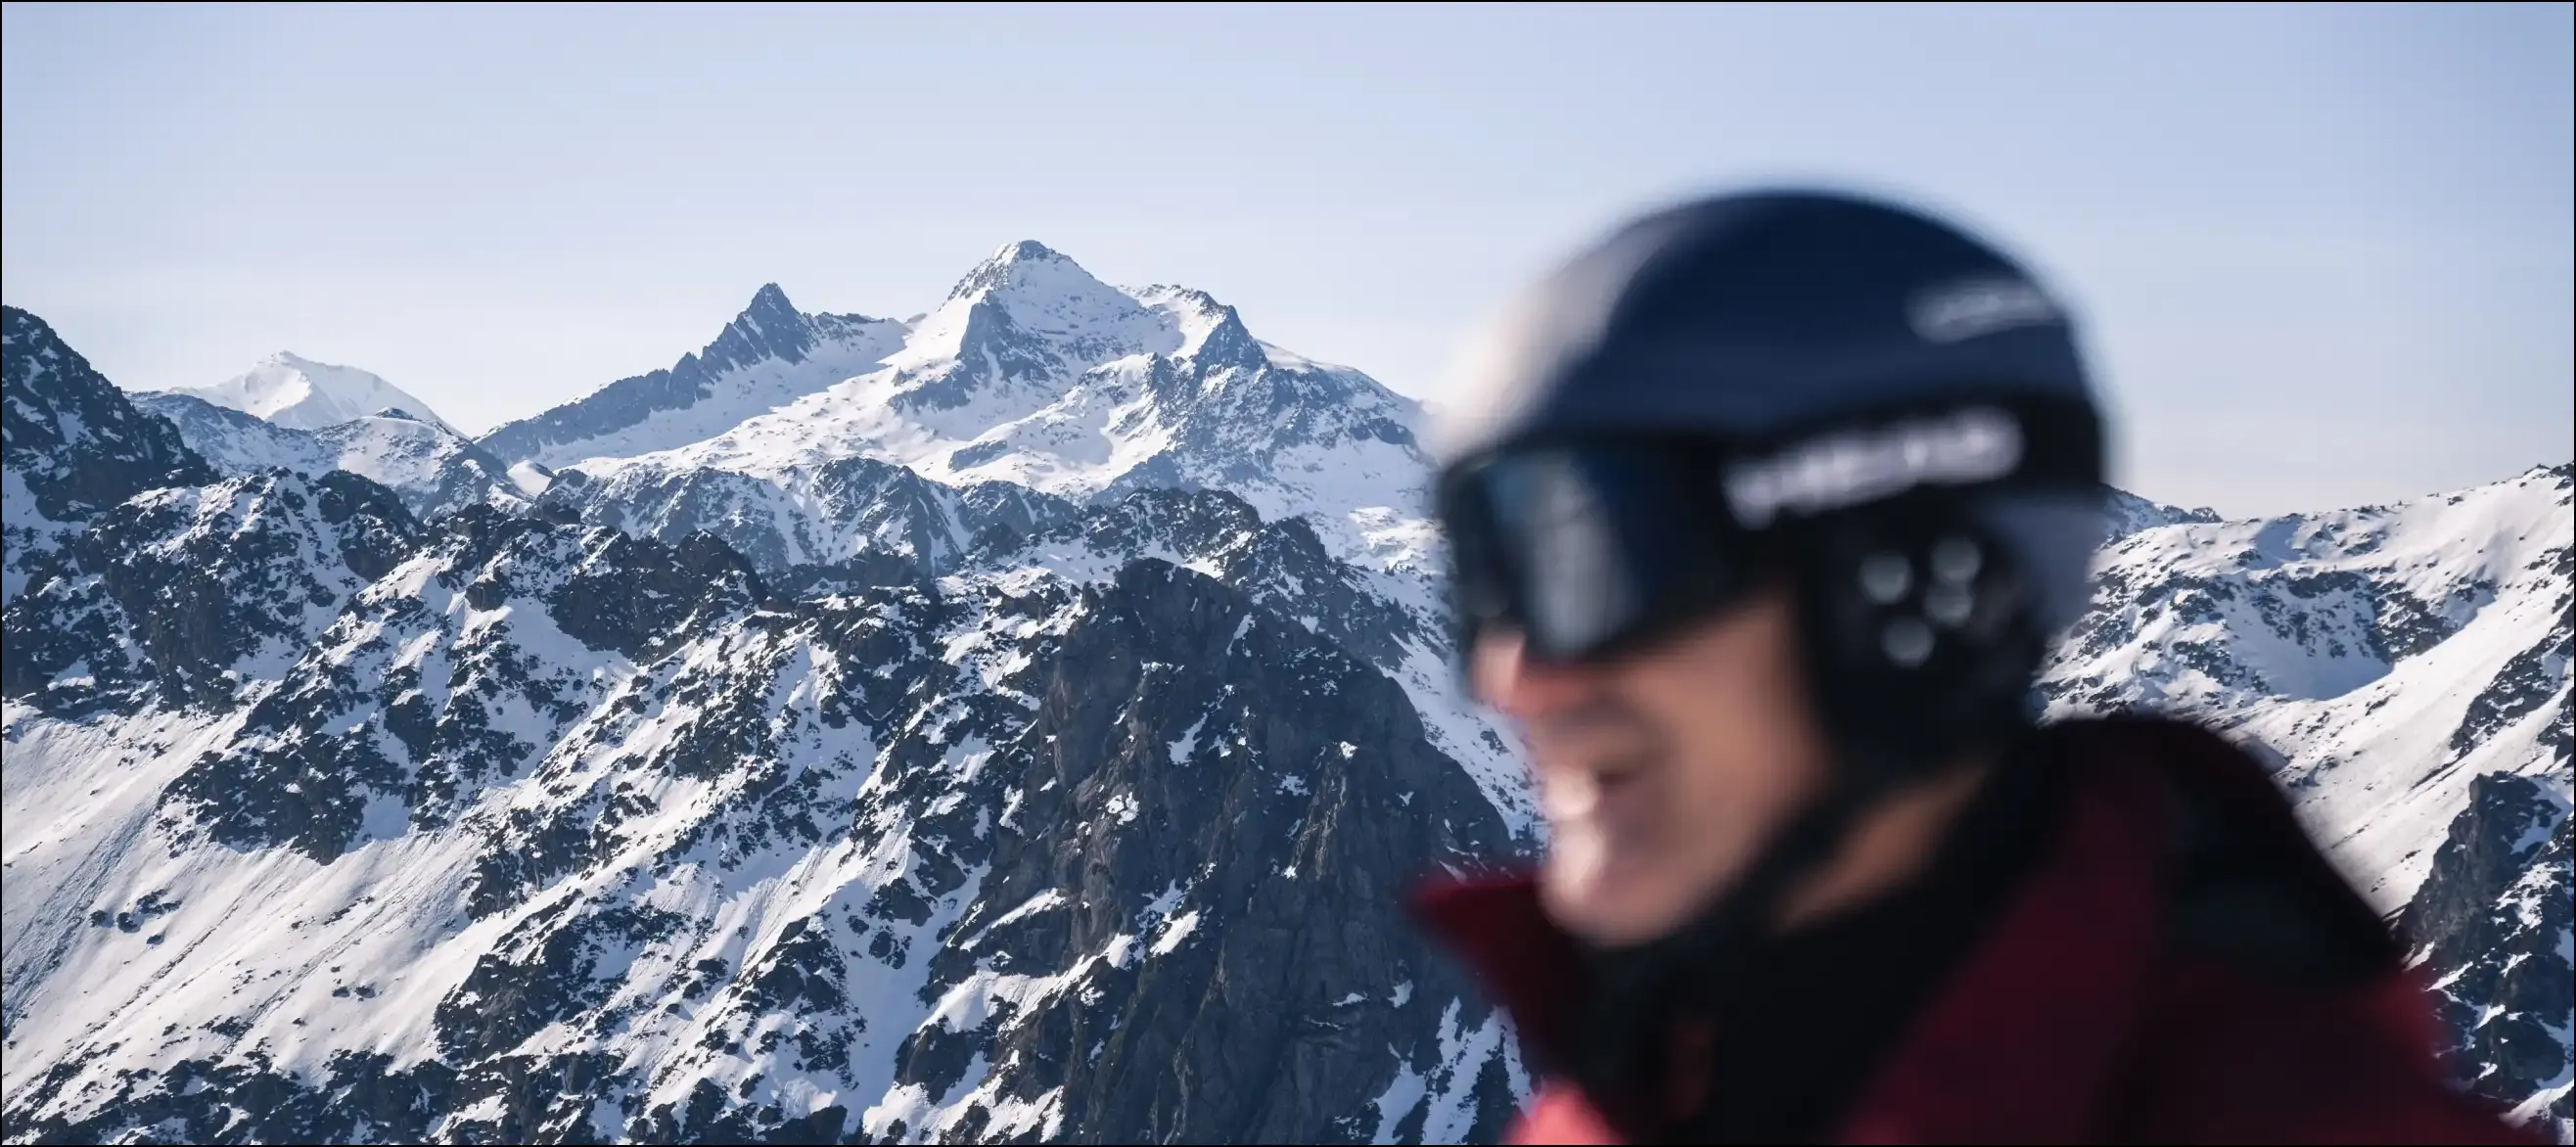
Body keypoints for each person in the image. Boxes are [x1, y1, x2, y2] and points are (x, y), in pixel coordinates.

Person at [1411, 189, 2539, 1145]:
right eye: (1486, 573)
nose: (1516, 675)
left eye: (1591, 561)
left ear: (1906, 588)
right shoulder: (1630, 1095)